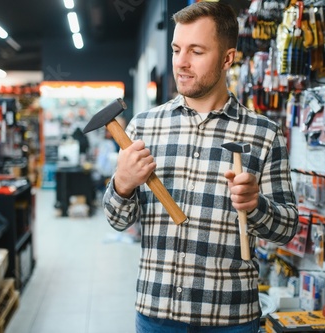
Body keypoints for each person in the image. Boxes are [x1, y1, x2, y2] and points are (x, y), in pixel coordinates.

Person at [103, 2, 298, 332]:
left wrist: (256, 206)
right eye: (177, 49)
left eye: (196, 51)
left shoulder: (264, 133)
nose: (181, 62)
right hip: (156, 314)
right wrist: (122, 184)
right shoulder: (144, 127)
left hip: (231, 318)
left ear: (227, 59)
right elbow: (117, 220)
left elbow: (287, 228)